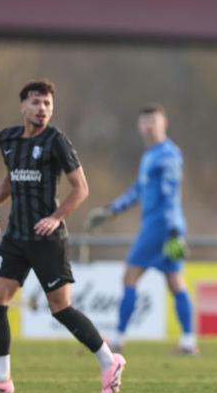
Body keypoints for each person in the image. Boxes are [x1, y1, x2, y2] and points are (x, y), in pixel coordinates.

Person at [0, 79, 125, 393]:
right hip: (15, 236)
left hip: (47, 238)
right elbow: (11, 177)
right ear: (23, 106)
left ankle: (109, 361)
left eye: (48, 104)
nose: (43, 109)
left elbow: (81, 188)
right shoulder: (8, 139)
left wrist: (56, 218)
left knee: (60, 308)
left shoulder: (57, 141)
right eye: (37, 102)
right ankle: (2, 380)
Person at [84, 104, 196, 355]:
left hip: (160, 227)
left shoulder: (168, 154)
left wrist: (174, 229)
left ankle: (118, 339)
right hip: (166, 226)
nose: (148, 126)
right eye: (144, 122)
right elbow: (138, 190)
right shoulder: (150, 156)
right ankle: (188, 342)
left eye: (153, 121)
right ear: (139, 126)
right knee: (175, 282)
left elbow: (170, 194)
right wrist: (112, 209)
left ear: (164, 123)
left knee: (130, 276)